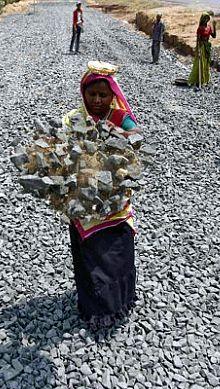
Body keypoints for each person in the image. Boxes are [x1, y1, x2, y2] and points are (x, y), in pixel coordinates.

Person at [63, 62, 139, 328]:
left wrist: (116, 135)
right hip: (85, 201)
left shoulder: (120, 117)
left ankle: (118, 303)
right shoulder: (74, 118)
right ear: (84, 93)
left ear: (112, 96)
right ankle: (94, 307)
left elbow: (136, 135)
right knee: (90, 255)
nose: (97, 100)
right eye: (91, 94)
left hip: (114, 201)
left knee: (115, 253)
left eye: (103, 95)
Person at [188, 12, 216, 88]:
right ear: (203, 19)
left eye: (208, 18)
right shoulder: (200, 28)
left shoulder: (209, 27)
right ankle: (197, 80)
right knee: (200, 64)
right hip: (201, 47)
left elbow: (214, 36)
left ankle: (205, 80)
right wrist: (198, 50)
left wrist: (214, 26)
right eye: (206, 18)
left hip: (207, 47)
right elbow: (198, 40)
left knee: (206, 64)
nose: (207, 20)